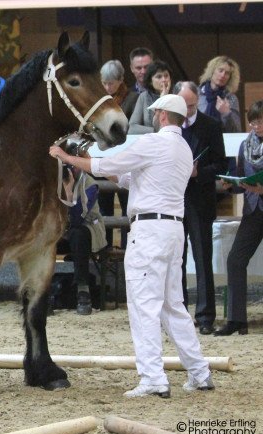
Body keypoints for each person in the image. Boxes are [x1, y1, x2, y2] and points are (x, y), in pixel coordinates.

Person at [49, 94, 214, 398]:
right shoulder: (182, 149)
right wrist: (85, 160)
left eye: (155, 113)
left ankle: (153, 378)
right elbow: (123, 175)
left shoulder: (153, 144)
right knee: (172, 305)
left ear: (163, 115)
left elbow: (108, 163)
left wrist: (67, 157)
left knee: (144, 306)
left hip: (149, 231)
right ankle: (199, 372)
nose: (152, 117)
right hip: (172, 230)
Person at [173, 81, 227, 335]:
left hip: (200, 199)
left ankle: (205, 316)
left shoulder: (211, 126)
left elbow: (220, 165)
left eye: (192, 106)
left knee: (202, 256)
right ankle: (179, 312)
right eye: (183, 106)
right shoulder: (169, 126)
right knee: (177, 258)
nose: (187, 111)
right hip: (174, 199)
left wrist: (198, 172)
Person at [215, 100, 263, 336]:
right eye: (253, 121)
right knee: (235, 260)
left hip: (259, 199)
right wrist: (230, 184)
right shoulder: (246, 145)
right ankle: (236, 320)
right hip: (253, 210)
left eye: (260, 121)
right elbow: (242, 180)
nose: (256, 125)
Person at [56, 170, 107, 315]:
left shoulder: (89, 183)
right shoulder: (55, 181)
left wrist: (68, 192)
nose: (70, 170)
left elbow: (78, 215)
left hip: (88, 230)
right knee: (46, 240)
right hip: (62, 232)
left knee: (78, 234)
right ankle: (43, 293)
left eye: (72, 166)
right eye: (66, 166)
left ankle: (83, 292)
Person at [99, 59, 136, 247]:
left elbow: (132, 126)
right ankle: (104, 247)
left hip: (124, 160)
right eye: (104, 83)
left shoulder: (132, 98)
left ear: (121, 80)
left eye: (111, 83)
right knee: (104, 208)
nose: (107, 87)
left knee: (125, 207)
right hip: (104, 157)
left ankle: (125, 246)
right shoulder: (99, 100)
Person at [198, 56, 241, 133]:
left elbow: (236, 131)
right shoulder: (197, 94)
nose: (223, 75)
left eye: (227, 73)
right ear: (212, 71)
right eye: (220, 70)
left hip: (222, 141)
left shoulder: (231, 98)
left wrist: (226, 113)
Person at [129, 60, 171, 134]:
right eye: (159, 77)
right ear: (150, 81)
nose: (164, 80)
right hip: (150, 141)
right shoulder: (144, 97)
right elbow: (132, 127)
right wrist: (155, 132)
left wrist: (164, 100)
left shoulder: (176, 96)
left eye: (166, 76)